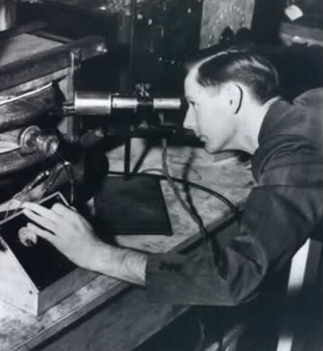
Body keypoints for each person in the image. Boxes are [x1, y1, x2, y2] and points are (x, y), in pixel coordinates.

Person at [20, 46, 323, 306]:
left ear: (232, 96)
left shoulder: (293, 159)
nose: (189, 122)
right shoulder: (309, 105)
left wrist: (96, 254)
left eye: (194, 104)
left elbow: (235, 279)